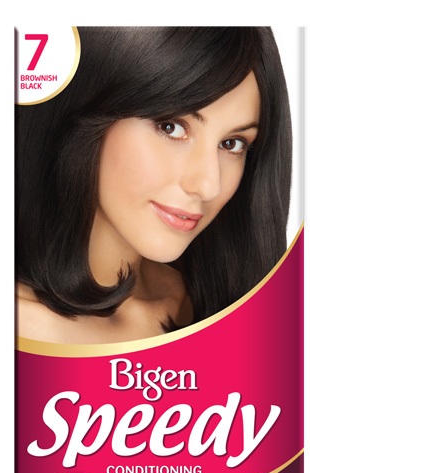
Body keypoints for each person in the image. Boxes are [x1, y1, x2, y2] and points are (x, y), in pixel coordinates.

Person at [15, 27, 292, 344]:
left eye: (232, 144)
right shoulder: (21, 330)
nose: (208, 185)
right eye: (171, 127)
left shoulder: (222, 305)